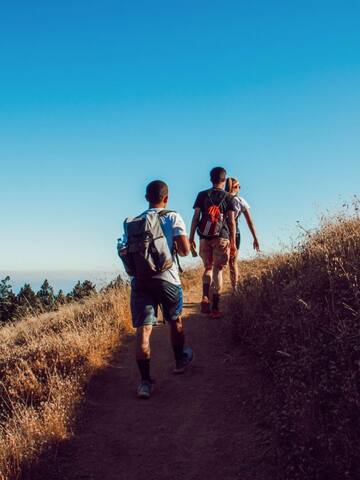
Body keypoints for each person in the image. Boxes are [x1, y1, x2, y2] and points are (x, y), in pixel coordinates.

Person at [118, 180, 193, 399]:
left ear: (146, 197)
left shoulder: (135, 222)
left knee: (143, 330)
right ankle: (179, 360)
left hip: (141, 281)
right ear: (166, 198)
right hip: (168, 280)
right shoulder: (173, 216)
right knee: (175, 320)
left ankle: (144, 382)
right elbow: (185, 251)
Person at [189, 167, 237, 318]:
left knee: (208, 268)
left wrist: (191, 237)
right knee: (218, 270)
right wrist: (233, 242)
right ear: (225, 180)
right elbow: (231, 222)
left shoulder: (202, 195)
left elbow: (196, 217)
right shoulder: (229, 197)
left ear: (210, 179)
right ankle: (215, 308)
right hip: (221, 237)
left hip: (204, 236)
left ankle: (205, 296)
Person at [225, 177, 260, 290]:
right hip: (235, 234)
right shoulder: (240, 200)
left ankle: (214, 291)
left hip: (220, 233)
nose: (239, 189)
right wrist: (255, 238)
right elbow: (249, 221)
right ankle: (234, 288)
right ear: (235, 187)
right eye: (239, 187)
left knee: (217, 264)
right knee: (233, 262)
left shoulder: (220, 198)